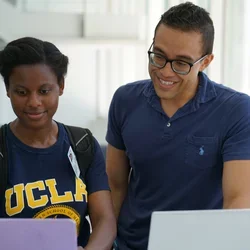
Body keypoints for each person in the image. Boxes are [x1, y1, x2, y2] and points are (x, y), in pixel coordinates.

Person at [106, 2, 250, 250]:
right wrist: (104, 243)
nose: (165, 71)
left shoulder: (236, 110)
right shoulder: (124, 100)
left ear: (205, 62)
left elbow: (238, 200)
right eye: (159, 56)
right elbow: (115, 184)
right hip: (130, 244)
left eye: (182, 63)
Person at [0, 37, 116, 250]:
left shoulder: (83, 144)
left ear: (61, 86)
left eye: (44, 91)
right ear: (7, 89)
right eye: (22, 92)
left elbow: (104, 220)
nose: (34, 102)